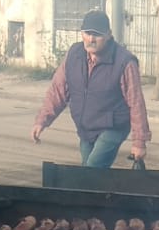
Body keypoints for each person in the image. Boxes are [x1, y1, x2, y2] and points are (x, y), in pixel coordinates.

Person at [31, 9, 151, 168]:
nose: (91, 39)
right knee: (89, 174)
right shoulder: (74, 55)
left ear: (108, 35)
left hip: (113, 127)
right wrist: (42, 121)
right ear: (82, 33)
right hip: (86, 128)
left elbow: (136, 103)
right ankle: (105, 192)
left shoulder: (124, 62)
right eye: (87, 33)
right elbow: (57, 91)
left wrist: (139, 141)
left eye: (97, 34)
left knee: (92, 167)